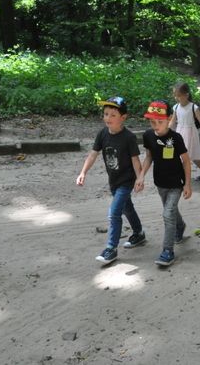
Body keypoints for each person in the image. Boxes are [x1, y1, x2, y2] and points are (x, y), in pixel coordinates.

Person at [76, 96, 145, 265]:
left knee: (114, 213)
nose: (108, 118)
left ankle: (111, 249)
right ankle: (139, 233)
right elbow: (93, 154)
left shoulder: (128, 137)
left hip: (126, 181)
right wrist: (83, 172)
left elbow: (135, 160)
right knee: (127, 208)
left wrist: (140, 178)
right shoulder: (102, 134)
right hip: (113, 180)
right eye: (106, 114)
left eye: (113, 115)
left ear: (123, 117)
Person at [137, 100, 193, 267]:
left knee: (167, 214)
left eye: (160, 122)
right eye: (152, 122)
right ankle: (180, 226)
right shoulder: (148, 136)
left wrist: (187, 184)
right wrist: (141, 176)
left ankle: (168, 251)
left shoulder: (176, 138)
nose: (156, 126)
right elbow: (149, 157)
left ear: (169, 119)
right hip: (160, 183)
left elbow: (186, 161)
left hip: (176, 183)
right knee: (171, 210)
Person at [170, 82, 200, 181]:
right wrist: (166, 130)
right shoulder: (176, 107)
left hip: (190, 134)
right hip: (179, 133)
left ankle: (182, 177)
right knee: (187, 155)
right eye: (175, 95)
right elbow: (173, 121)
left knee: (188, 155)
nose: (176, 98)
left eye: (179, 95)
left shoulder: (193, 107)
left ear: (186, 95)